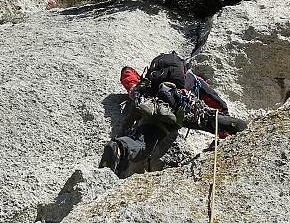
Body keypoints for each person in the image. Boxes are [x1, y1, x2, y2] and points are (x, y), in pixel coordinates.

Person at [99, 51, 247, 175]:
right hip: (181, 107)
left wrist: (134, 88)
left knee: (141, 144)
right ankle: (230, 126)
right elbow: (212, 97)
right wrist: (223, 115)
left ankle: (119, 148)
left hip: (154, 108)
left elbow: (128, 74)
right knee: (207, 119)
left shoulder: (153, 78)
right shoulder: (192, 77)